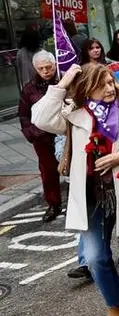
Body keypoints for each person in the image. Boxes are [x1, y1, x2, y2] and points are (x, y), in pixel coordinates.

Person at [31, 63, 119, 316]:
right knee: (95, 257)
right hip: (92, 195)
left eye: (110, 82)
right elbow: (39, 118)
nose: (109, 88)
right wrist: (63, 84)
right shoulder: (74, 115)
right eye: (101, 84)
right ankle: (115, 301)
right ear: (86, 88)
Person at [19, 51, 62, 222]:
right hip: (42, 137)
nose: (45, 71)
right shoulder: (29, 89)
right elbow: (23, 115)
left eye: (48, 67)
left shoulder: (62, 82)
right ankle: (53, 204)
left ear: (55, 65)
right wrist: (31, 134)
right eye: (41, 68)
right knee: (48, 171)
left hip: (63, 133)